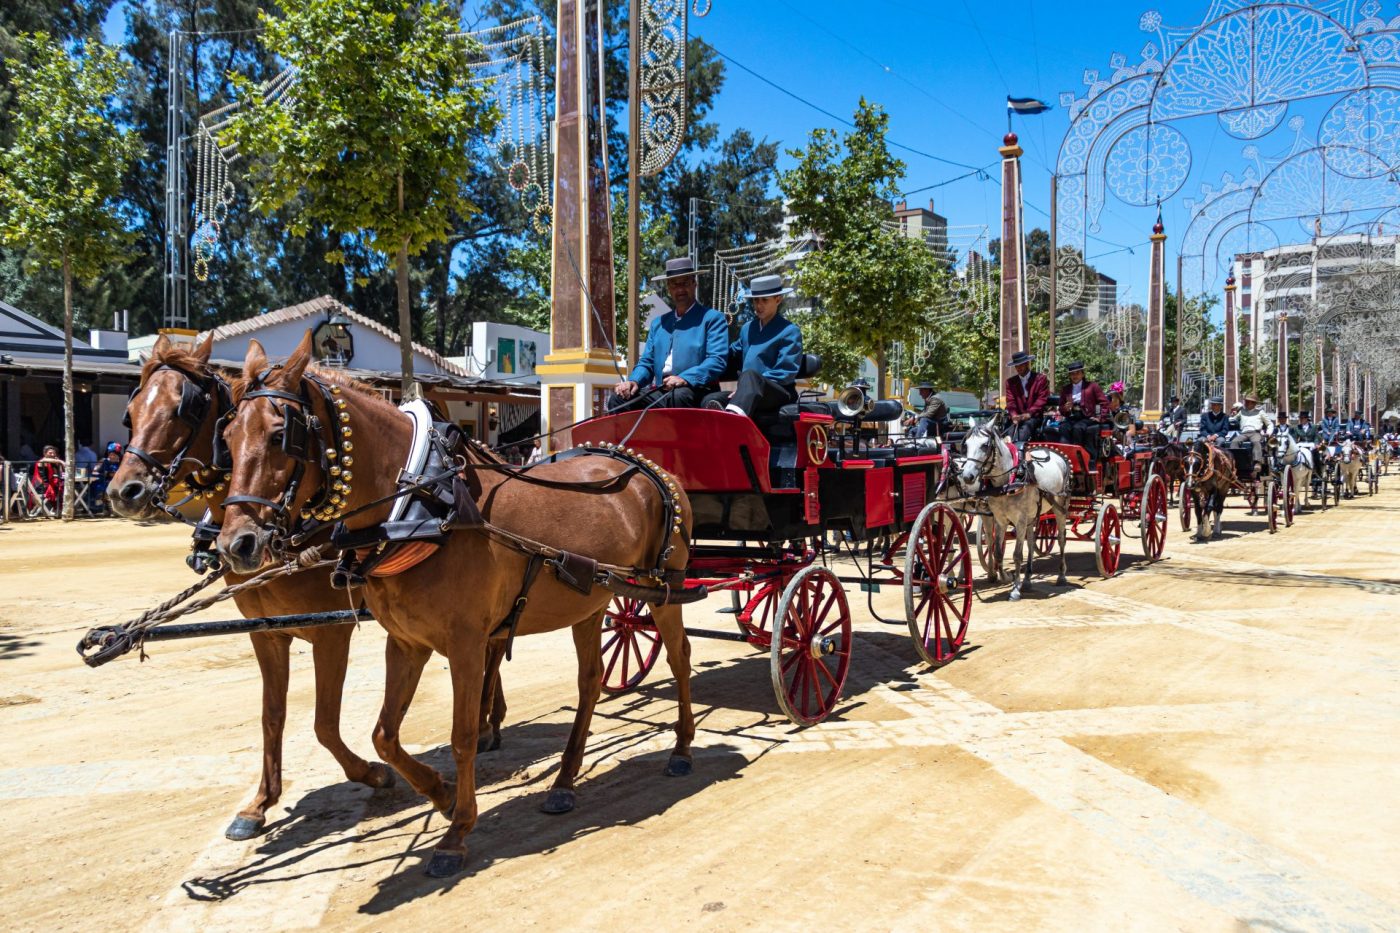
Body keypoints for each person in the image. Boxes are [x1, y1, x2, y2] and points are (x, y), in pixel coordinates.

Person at [610, 256, 728, 412]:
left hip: (697, 389)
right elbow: (647, 362)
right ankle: (629, 438)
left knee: (678, 396)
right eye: (674, 284)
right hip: (662, 391)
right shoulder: (658, 324)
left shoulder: (712, 319)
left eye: (685, 283)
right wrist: (634, 381)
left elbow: (717, 360)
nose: (680, 289)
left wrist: (685, 378)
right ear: (668, 287)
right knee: (618, 400)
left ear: (694, 283)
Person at [702, 274, 802, 418]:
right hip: (748, 391)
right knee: (711, 399)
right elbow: (731, 352)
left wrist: (749, 388)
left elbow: (784, 372)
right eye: (755, 300)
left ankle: (733, 421)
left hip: (779, 391)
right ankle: (720, 433)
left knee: (750, 376)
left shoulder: (790, 331)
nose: (758, 305)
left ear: (778, 299)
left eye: (764, 300)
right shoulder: (748, 329)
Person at [1057, 361, 1108, 457]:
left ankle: (1079, 456)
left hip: (1088, 417)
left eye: (1077, 373)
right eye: (1072, 374)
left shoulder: (1092, 386)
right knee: (1063, 427)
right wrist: (1065, 408)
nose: (1074, 376)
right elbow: (1061, 408)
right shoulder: (1066, 389)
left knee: (1078, 428)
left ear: (1082, 374)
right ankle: (1064, 455)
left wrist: (1099, 417)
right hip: (1072, 417)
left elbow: (1103, 403)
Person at [1003, 350, 1049, 445]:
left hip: (1034, 417)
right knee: (1008, 432)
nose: (1018, 368)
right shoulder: (1010, 382)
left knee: (1025, 429)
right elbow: (1010, 401)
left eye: (1021, 365)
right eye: (1016, 365)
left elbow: (1042, 399)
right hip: (1017, 417)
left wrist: (1029, 414)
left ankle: (1019, 454)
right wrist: (1014, 415)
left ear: (1026, 363)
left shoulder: (1040, 379)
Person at [1232, 394, 1273, 477]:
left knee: (1255, 441)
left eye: (1248, 402)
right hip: (1244, 433)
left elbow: (1270, 424)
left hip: (1255, 432)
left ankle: (1257, 462)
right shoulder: (1242, 411)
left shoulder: (1260, 412)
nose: (1245, 403)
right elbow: (1233, 419)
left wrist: (1268, 433)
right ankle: (1234, 462)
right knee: (1234, 442)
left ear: (1253, 403)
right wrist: (1231, 416)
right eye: (1245, 401)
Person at [32, 444, 63, 512]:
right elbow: (45, 460)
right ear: (44, 454)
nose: (52, 454)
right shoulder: (42, 461)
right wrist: (60, 461)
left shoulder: (53, 462)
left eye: (54, 453)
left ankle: (58, 509)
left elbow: (60, 473)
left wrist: (58, 464)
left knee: (63, 486)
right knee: (61, 487)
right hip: (41, 486)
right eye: (50, 453)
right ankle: (58, 509)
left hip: (49, 484)